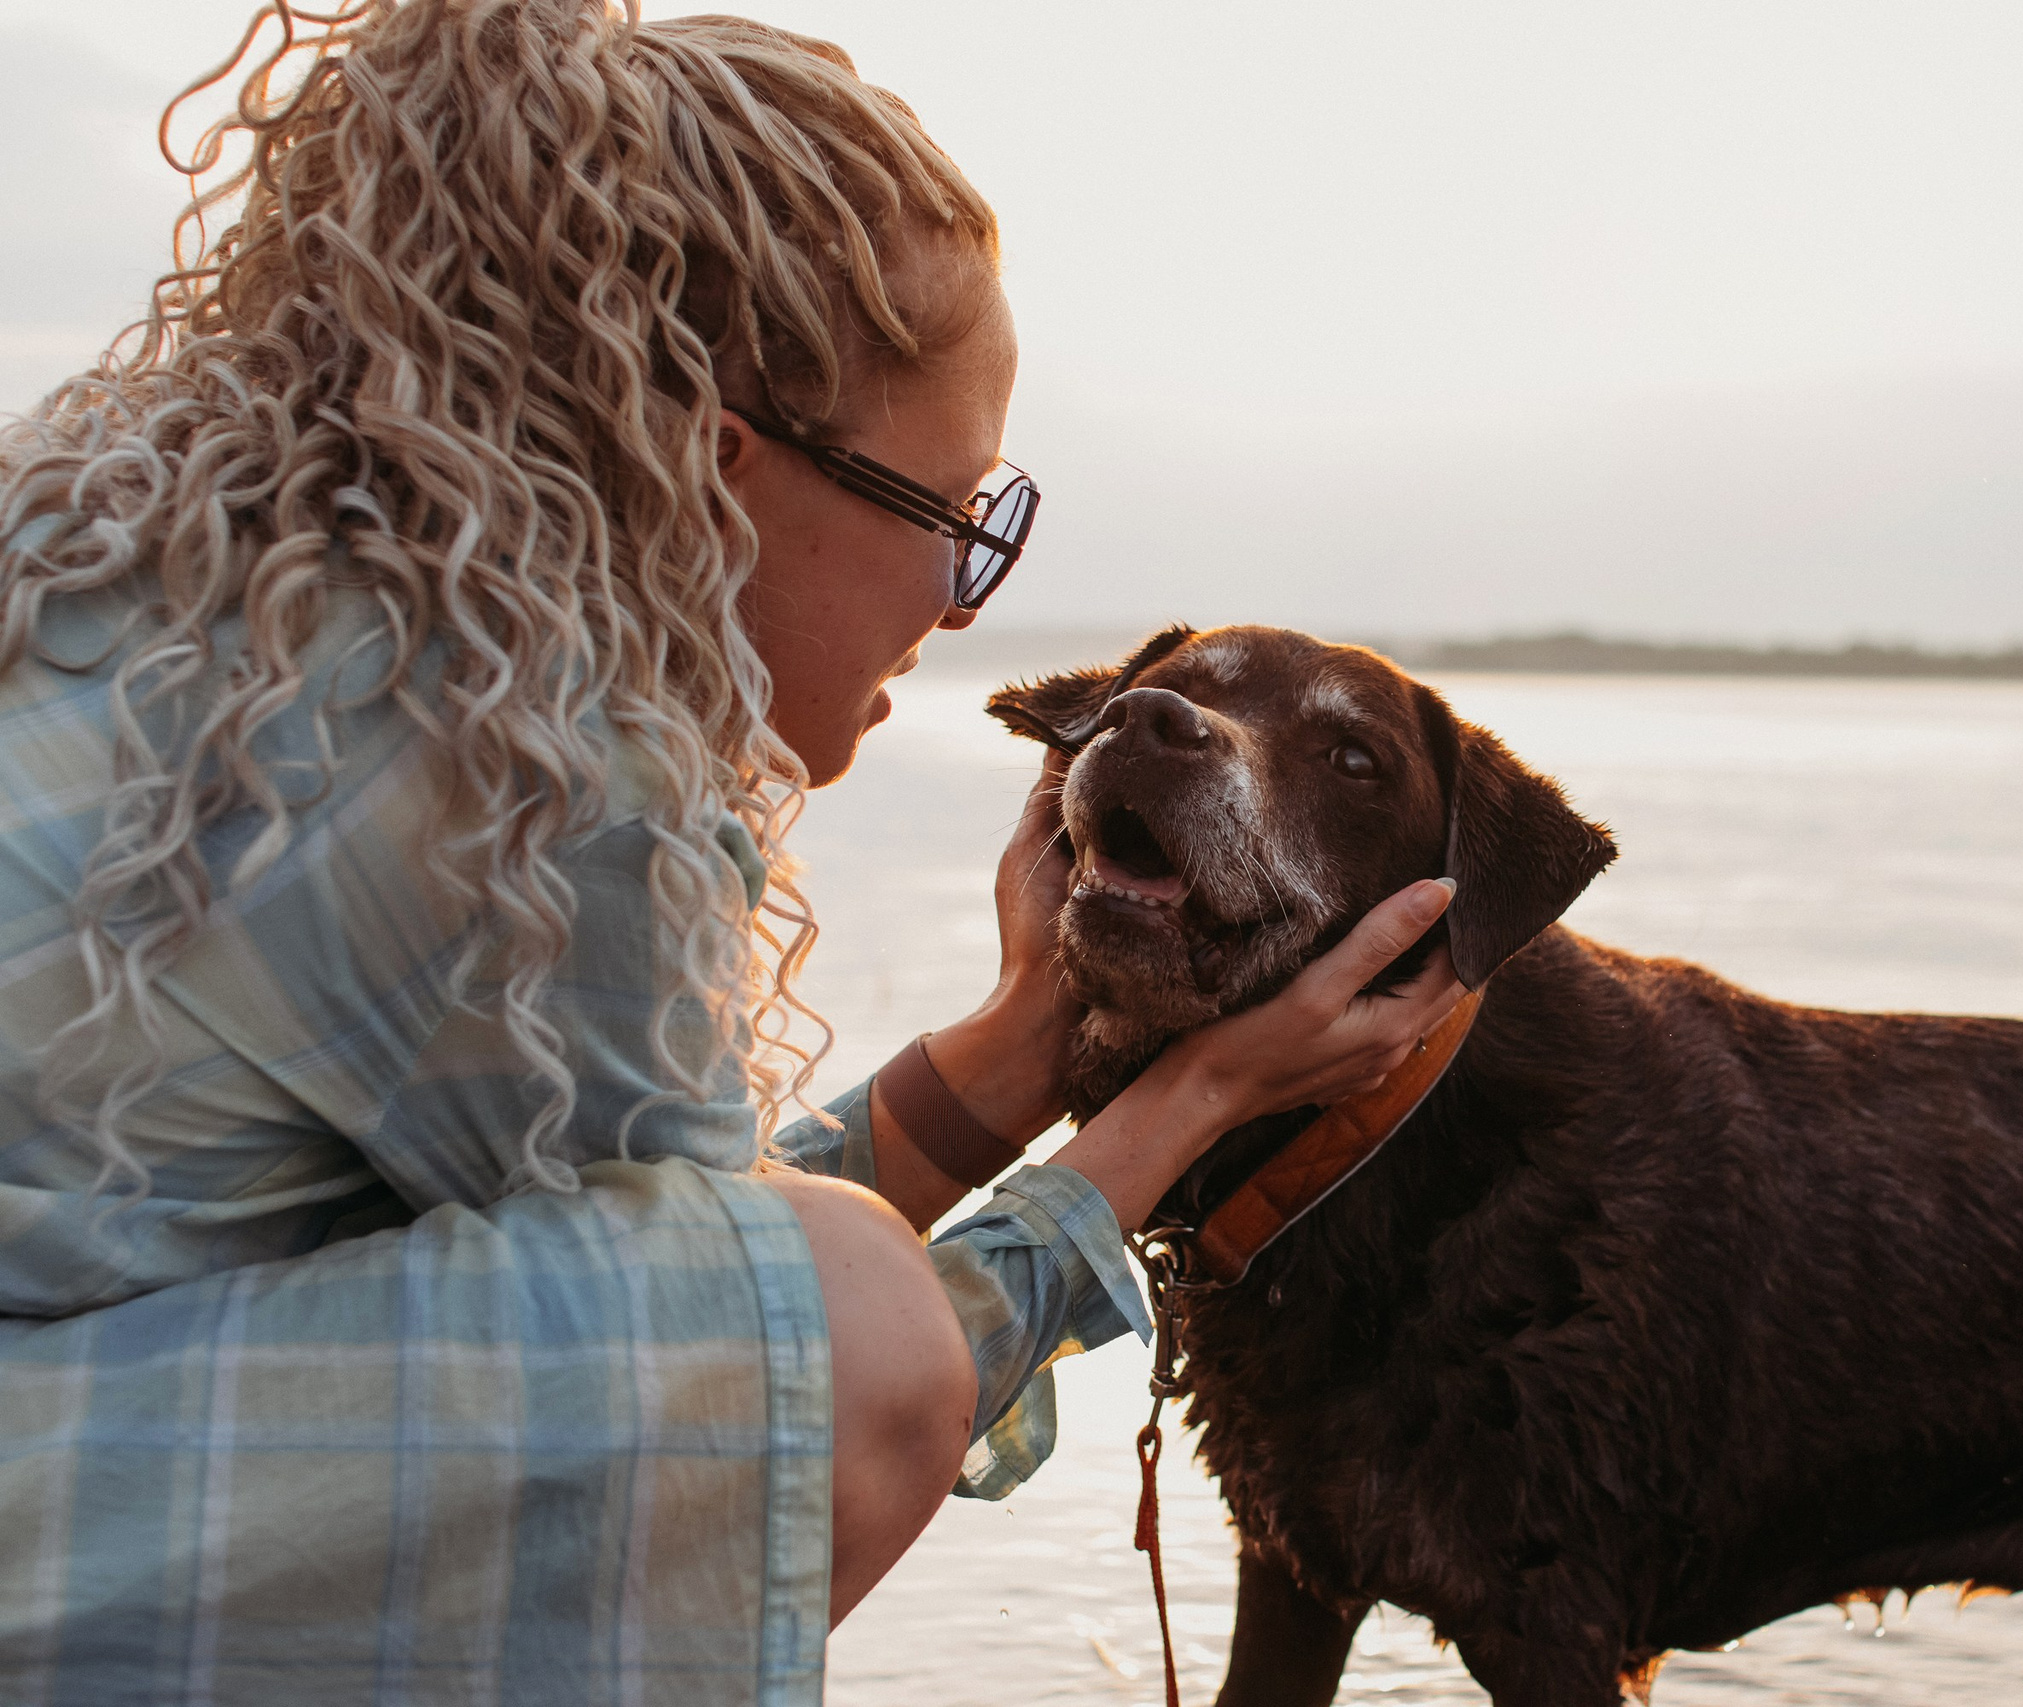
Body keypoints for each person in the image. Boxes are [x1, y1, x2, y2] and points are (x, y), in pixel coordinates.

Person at [0, 3, 1461, 1701]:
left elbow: (665, 1271)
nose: (956, 599)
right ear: (713, 467)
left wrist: (1023, 1046)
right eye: (954, 517)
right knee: (850, 1325)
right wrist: (1184, 1109)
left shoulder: (229, 594)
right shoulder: (506, 758)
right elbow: (789, 1374)